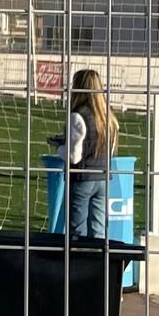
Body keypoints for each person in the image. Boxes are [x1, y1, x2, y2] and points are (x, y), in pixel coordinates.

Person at [50, 69, 119, 239]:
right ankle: (100, 264)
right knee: (99, 231)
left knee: (77, 232)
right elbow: (110, 150)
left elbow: (74, 156)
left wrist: (59, 147)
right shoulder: (108, 117)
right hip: (103, 178)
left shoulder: (78, 115)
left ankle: (78, 263)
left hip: (82, 178)